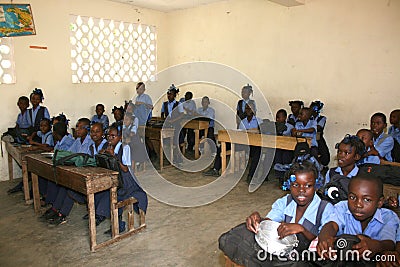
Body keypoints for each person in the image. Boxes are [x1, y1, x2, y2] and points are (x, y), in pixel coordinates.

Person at [219, 161, 334, 266]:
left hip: (306, 256)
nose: (301, 190)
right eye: (295, 185)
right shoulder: (285, 202)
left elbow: (323, 240)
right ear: (288, 185)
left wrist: (302, 229)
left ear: (317, 186)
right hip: (282, 253)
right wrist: (259, 221)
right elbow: (270, 223)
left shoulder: (324, 209)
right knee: (241, 234)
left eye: (308, 185)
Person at [317, 175, 400, 264]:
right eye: (352, 197)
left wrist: (376, 245)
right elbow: (332, 225)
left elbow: (390, 243)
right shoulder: (342, 207)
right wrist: (325, 238)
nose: (358, 205)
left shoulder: (388, 216)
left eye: (367, 200)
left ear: (379, 202)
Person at [96, 125, 148, 234]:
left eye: (113, 136)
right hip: (115, 179)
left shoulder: (125, 148)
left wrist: (113, 156)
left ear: (120, 137)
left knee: (115, 196)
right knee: (104, 194)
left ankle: (118, 225)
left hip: (126, 181)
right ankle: (114, 223)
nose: (110, 138)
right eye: (108, 136)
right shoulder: (106, 145)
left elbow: (125, 169)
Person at [43, 118, 94, 225]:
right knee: (64, 185)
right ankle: (56, 209)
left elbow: (86, 160)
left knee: (70, 188)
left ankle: (62, 214)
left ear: (87, 129)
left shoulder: (91, 142)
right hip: (78, 172)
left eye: (80, 128)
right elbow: (68, 154)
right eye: (76, 127)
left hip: (88, 175)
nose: (77, 130)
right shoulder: (77, 141)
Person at [161, 84, 184, 164]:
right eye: (168, 94)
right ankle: (172, 157)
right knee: (168, 141)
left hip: (176, 125)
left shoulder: (179, 104)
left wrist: (173, 120)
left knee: (176, 142)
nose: (168, 96)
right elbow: (162, 113)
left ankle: (179, 158)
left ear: (174, 95)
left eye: (170, 94)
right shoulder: (165, 104)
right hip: (168, 126)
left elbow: (181, 114)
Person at [310, 101, 330, 166]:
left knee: (324, 155)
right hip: (308, 137)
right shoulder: (309, 117)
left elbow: (318, 128)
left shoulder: (322, 118)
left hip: (317, 138)